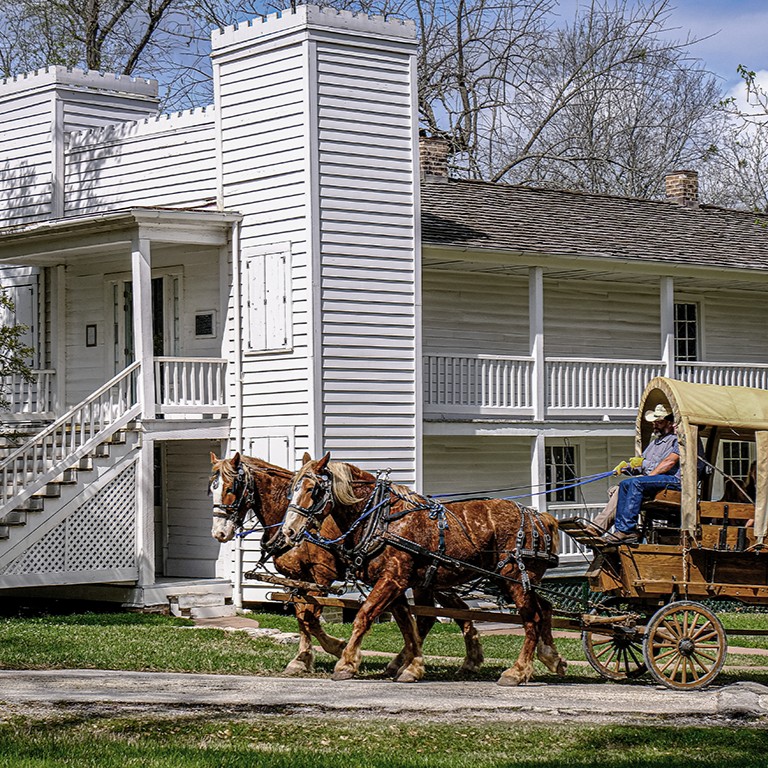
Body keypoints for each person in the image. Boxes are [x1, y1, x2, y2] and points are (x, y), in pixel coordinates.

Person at [597, 404, 681, 544]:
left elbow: (668, 463)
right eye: (654, 422)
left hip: (674, 481)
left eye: (659, 422)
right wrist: (627, 467)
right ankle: (621, 530)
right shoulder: (655, 443)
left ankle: (626, 530)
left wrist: (646, 478)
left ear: (670, 423)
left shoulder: (677, 440)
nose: (655, 425)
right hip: (657, 479)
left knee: (634, 483)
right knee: (623, 484)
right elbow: (641, 463)